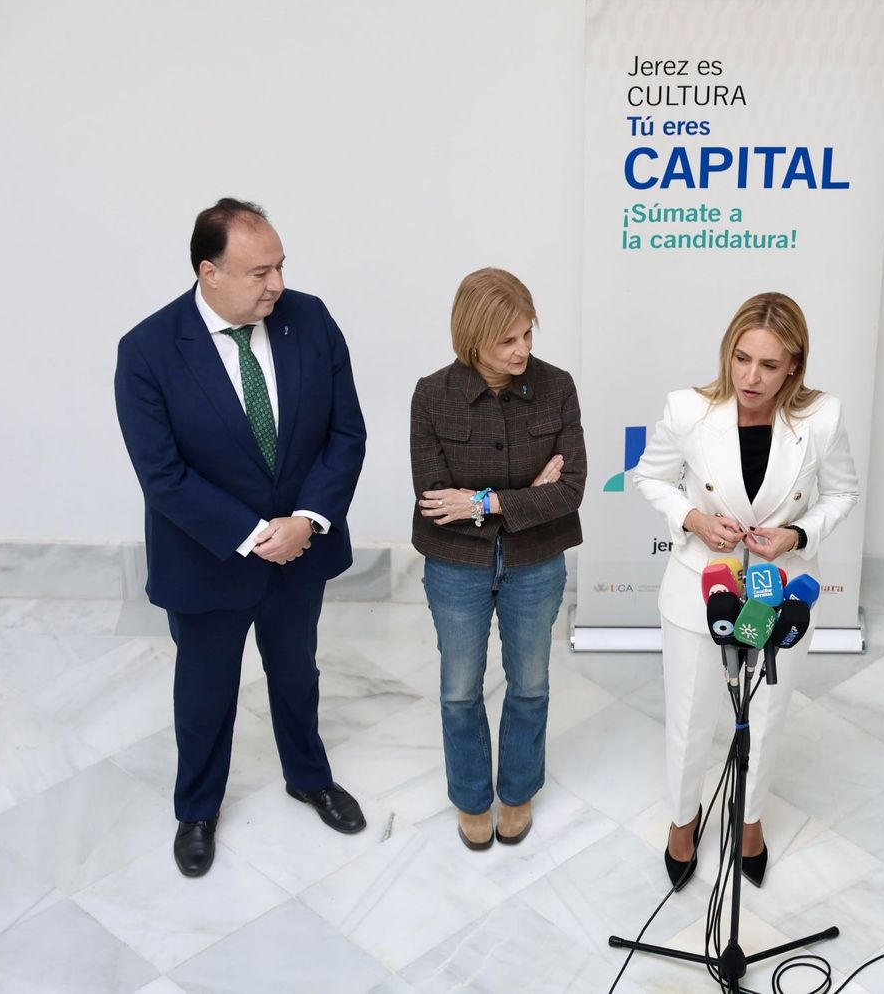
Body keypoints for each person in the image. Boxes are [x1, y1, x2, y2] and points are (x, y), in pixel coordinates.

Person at [115, 198, 369, 878]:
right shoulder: (147, 351)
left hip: (300, 549)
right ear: (210, 272)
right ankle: (197, 810)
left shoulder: (310, 320)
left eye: (281, 265)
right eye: (261, 272)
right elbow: (163, 476)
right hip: (207, 561)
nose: (277, 283)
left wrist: (307, 521)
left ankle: (308, 777)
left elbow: (345, 433)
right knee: (205, 694)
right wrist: (255, 534)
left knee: (297, 674)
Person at [632, 292, 860, 889]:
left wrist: (797, 534)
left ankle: (750, 816)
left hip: (780, 591)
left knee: (767, 712)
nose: (751, 377)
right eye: (741, 359)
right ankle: (683, 819)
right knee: (690, 714)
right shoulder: (688, 409)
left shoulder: (822, 417)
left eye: (768, 364)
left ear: (794, 367)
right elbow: (650, 476)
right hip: (699, 586)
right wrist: (693, 520)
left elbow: (842, 493)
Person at [410, 268, 585, 850]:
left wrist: (484, 501)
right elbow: (436, 501)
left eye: (528, 334)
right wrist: (529, 495)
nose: (522, 350)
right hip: (455, 566)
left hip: (536, 564)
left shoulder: (558, 387)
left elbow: (570, 490)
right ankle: (470, 796)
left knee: (530, 684)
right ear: (472, 337)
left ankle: (518, 789)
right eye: (507, 339)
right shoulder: (431, 396)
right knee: (460, 690)